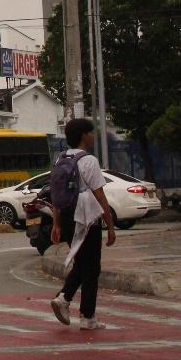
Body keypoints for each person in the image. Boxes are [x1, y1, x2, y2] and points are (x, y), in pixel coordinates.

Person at [50, 117, 117, 330]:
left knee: (83, 263)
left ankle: (66, 300)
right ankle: (85, 315)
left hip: (68, 217)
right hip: (86, 219)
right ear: (83, 135)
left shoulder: (60, 159)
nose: (93, 136)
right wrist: (110, 225)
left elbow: (56, 196)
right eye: (91, 132)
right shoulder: (89, 161)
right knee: (92, 266)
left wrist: (57, 224)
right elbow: (100, 196)